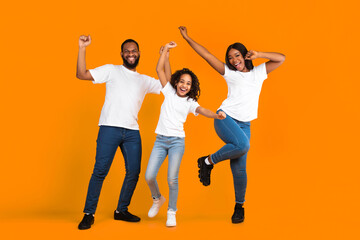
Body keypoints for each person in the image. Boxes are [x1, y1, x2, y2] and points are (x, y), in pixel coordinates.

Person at [179, 26, 286, 224]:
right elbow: (206, 55)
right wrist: (187, 37)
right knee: (243, 146)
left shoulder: (259, 72)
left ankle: (239, 207)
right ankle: (207, 162)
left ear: (245, 55)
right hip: (224, 117)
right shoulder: (229, 72)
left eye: (237, 55)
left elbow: (281, 58)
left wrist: (260, 54)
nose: (233, 60)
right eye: (230, 58)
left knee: (239, 169)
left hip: (245, 124)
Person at [76, 35, 162, 230]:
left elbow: (168, 85)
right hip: (109, 127)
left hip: (132, 131)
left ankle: (121, 210)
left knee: (134, 172)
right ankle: (89, 213)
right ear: (122, 54)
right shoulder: (111, 70)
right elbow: (81, 74)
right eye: (127, 51)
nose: (131, 54)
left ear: (139, 53)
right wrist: (82, 48)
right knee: (100, 171)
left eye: (134, 51)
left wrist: (165, 56)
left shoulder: (144, 80)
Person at [145, 42, 226, 227]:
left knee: (172, 178)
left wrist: (215, 115)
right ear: (176, 82)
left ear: (191, 87)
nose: (184, 85)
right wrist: (165, 50)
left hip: (176, 143)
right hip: (160, 141)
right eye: (182, 81)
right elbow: (159, 69)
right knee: (149, 175)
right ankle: (157, 199)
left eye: (188, 83)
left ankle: (171, 211)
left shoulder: (190, 102)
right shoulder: (169, 92)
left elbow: (202, 109)